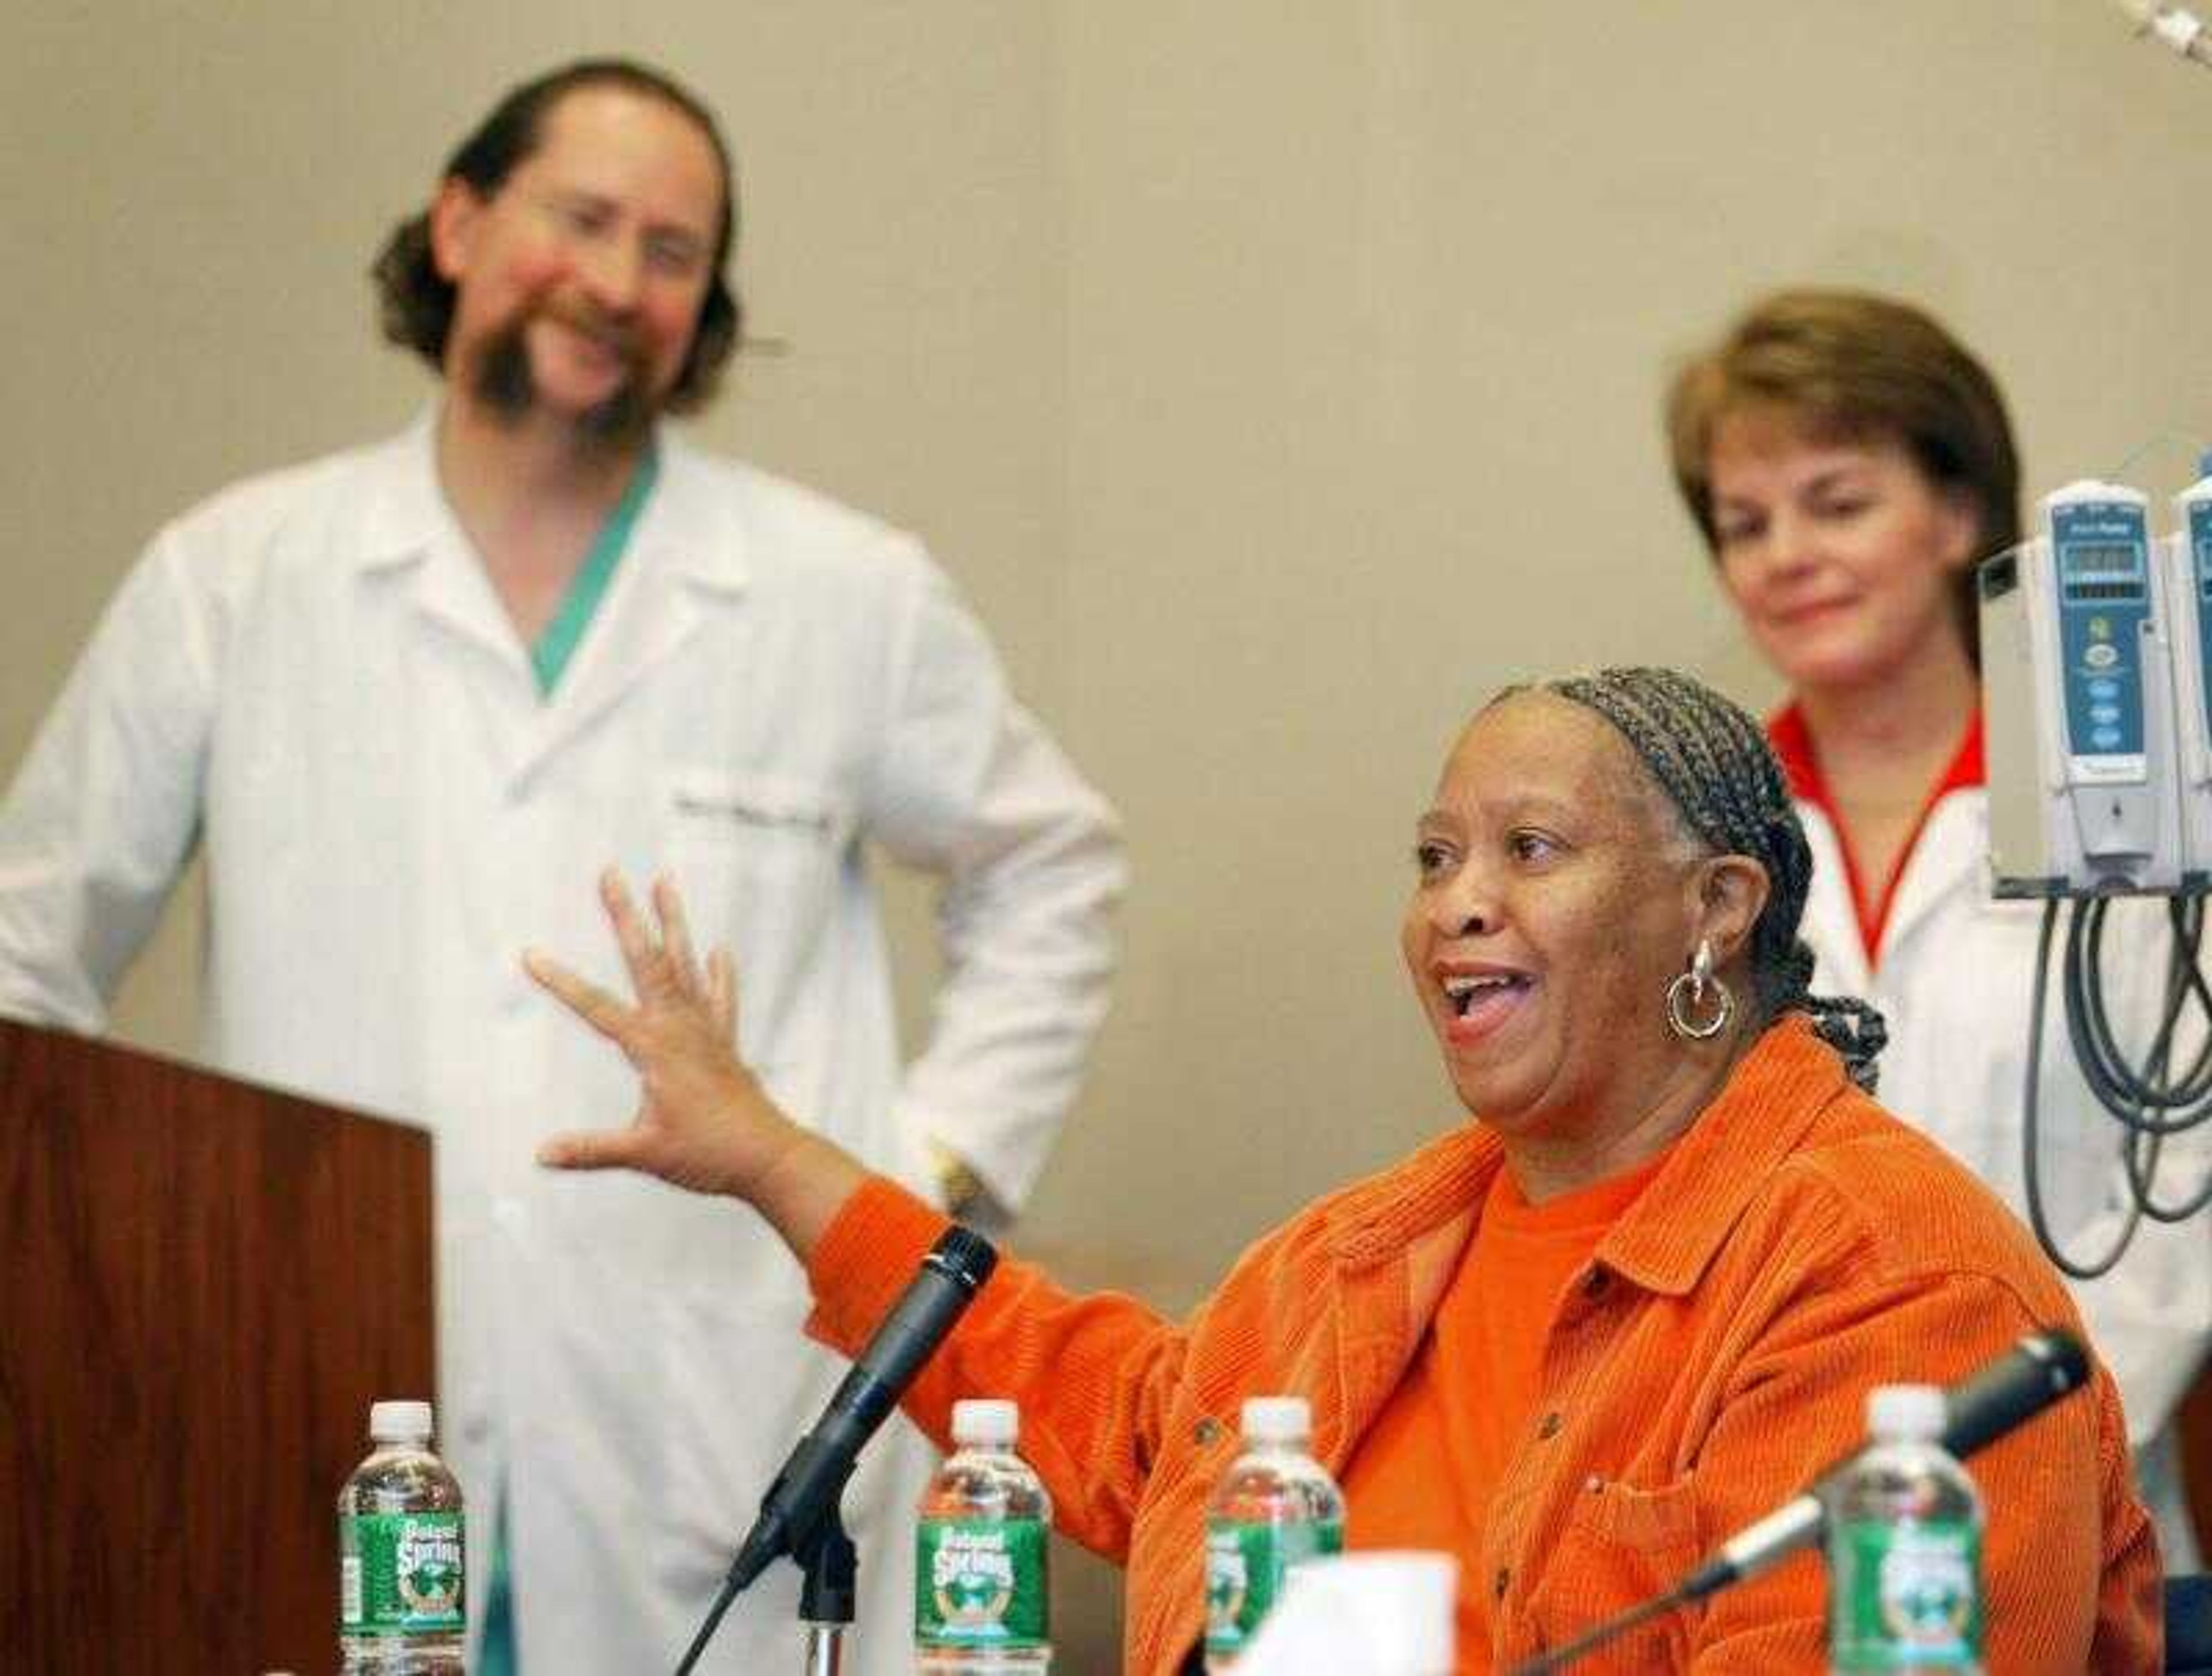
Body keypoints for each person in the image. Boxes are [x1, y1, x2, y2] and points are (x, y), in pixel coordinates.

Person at [0, 58, 1124, 1676]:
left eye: (674, 251)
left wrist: (922, 1164)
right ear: (459, 223)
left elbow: (1054, 868)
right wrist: (116, 1279)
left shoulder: (837, 590)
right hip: (323, 1392)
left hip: (709, 1392)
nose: (615, 282)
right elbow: (31, 954)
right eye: (581, 219)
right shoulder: (238, 578)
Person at [527, 667, 2160, 1673]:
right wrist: (771, 1155)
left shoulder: (1888, 1274)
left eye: (1530, 849)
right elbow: (1122, 1415)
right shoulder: (1378, 1246)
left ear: (1717, 908)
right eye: (1435, 855)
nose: (1454, 900)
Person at [1665, 286, 2212, 1568]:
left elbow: (2191, 1185)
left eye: (1838, 503)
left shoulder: (2132, 817)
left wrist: (2024, 1448)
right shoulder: (1687, 849)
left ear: (1960, 515)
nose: (1785, 554)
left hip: (2083, 1507)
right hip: (1769, 1517)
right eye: (1745, 524)